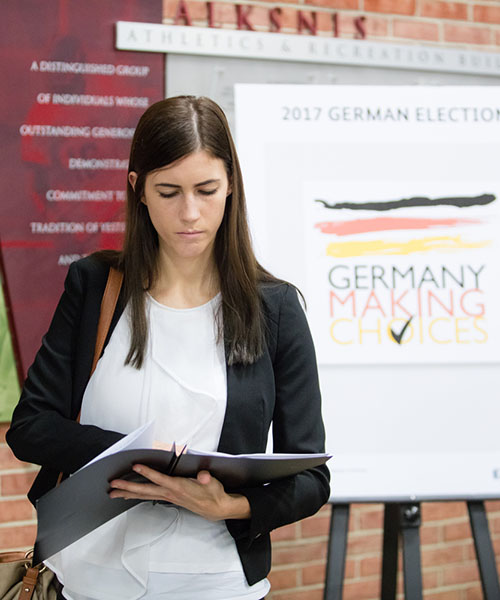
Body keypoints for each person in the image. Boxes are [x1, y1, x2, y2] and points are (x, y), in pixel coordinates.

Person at [7, 96, 330, 600]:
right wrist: (136, 458)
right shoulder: (94, 286)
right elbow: (30, 428)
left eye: (207, 190)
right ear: (138, 189)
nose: (189, 213)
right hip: (90, 578)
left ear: (231, 188)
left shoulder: (276, 308)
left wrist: (230, 507)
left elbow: (312, 476)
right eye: (168, 191)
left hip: (217, 581)